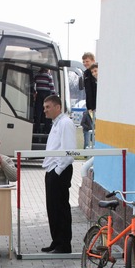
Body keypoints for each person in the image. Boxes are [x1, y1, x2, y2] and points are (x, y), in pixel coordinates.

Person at [41, 95, 76, 254]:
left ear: (58, 107)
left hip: (60, 170)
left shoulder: (66, 123)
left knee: (61, 208)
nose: (45, 110)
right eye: (44, 107)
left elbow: (69, 151)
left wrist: (58, 170)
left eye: (48, 107)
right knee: (52, 208)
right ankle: (56, 241)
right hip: (52, 169)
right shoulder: (56, 123)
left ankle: (64, 244)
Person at [33, 68, 56, 134]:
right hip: (47, 94)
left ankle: (37, 127)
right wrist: (54, 96)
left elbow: (33, 83)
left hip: (39, 94)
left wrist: (34, 91)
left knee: (38, 111)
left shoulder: (37, 75)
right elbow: (51, 86)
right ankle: (46, 128)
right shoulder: (48, 75)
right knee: (47, 111)